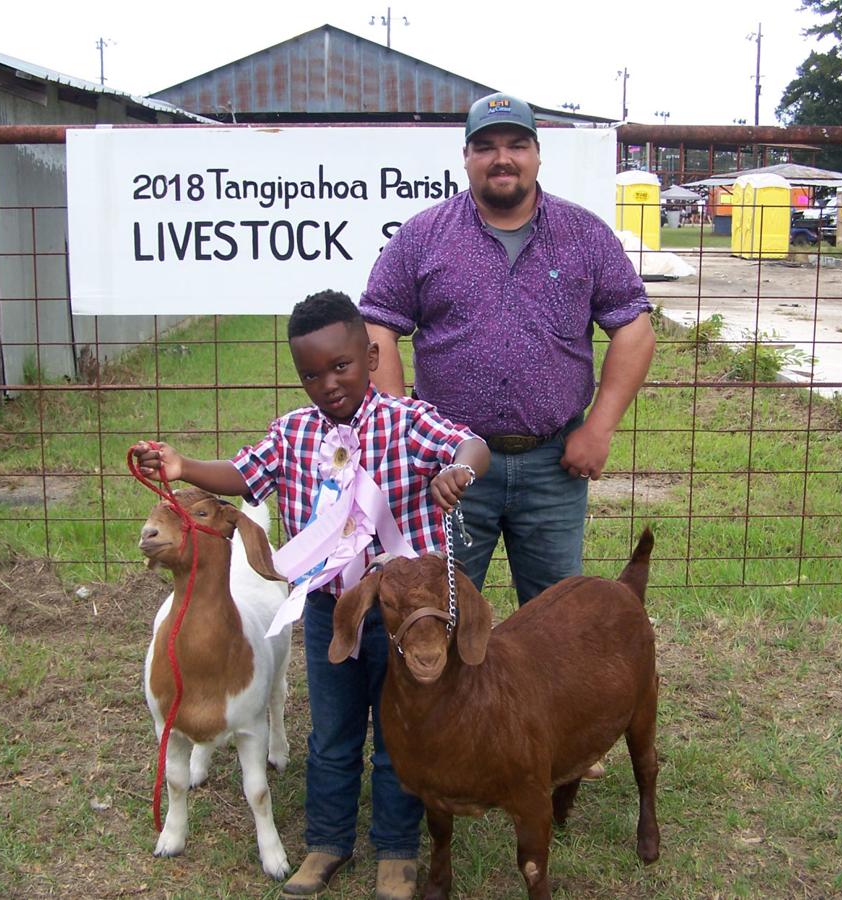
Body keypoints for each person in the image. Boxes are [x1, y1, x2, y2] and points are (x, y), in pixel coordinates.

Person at [132, 290, 489, 900]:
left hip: (402, 617)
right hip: (329, 611)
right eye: (310, 374)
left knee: (399, 732)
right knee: (331, 732)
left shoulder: (407, 421)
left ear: (371, 357)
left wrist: (460, 469)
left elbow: (470, 443)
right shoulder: (293, 433)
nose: (327, 384)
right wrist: (183, 465)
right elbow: (244, 475)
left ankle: (397, 852)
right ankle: (327, 841)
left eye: (340, 366)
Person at [360, 91, 656, 613]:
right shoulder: (422, 236)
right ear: (466, 157)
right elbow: (378, 327)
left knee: (555, 623)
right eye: (486, 146)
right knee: (438, 613)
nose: (502, 158)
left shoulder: (584, 235)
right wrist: (404, 428)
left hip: (553, 466)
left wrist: (599, 429)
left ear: (537, 154)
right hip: (449, 468)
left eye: (517, 145)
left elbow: (634, 326)